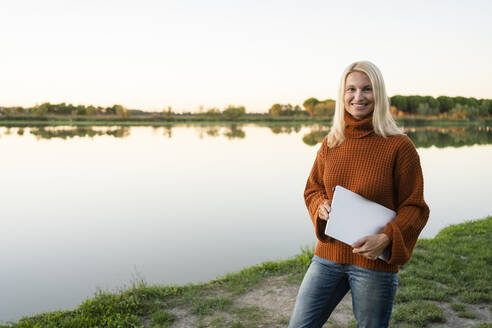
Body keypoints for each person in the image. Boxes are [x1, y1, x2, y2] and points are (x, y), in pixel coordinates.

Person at [288, 61, 430, 328]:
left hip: (373, 264)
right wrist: (320, 205)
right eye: (350, 89)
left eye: (367, 89)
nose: (358, 96)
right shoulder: (331, 142)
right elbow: (312, 188)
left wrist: (386, 238)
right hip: (328, 256)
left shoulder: (399, 145)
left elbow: (415, 207)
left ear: (379, 94)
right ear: (342, 95)